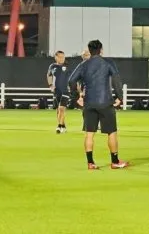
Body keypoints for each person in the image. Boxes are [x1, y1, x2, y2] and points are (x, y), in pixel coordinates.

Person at [68, 40, 128, 170]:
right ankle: (115, 161)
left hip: (89, 103)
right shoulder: (108, 62)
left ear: (89, 51)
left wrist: (76, 97)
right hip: (106, 102)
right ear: (101, 50)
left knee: (89, 134)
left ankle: (90, 163)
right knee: (111, 133)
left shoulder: (83, 64)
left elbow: (71, 80)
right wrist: (120, 97)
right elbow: (116, 81)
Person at [47, 51, 71, 133]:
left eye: (63, 57)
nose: (62, 58)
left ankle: (59, 126)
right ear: (56, 57)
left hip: (66, 90)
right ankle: (63, 126)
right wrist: (50, 85)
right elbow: (49, 75)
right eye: (60, 57)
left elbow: (73, 77)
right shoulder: (52, 66)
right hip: (57, 91)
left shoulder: (67, 66)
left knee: (62, 108)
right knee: (58, 110)